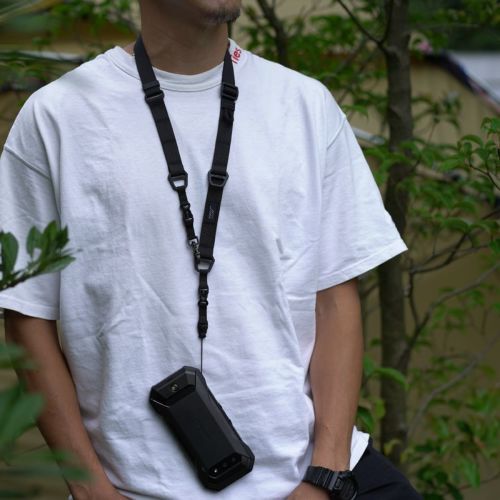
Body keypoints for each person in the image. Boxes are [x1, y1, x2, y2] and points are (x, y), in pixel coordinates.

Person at [0, 1, 422, 499]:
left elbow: (334, 299)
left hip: (310, 476)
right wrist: (92, 490)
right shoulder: (57, 116)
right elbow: (27, 317)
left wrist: (326, 474)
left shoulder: (305, 105)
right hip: (140, 486)